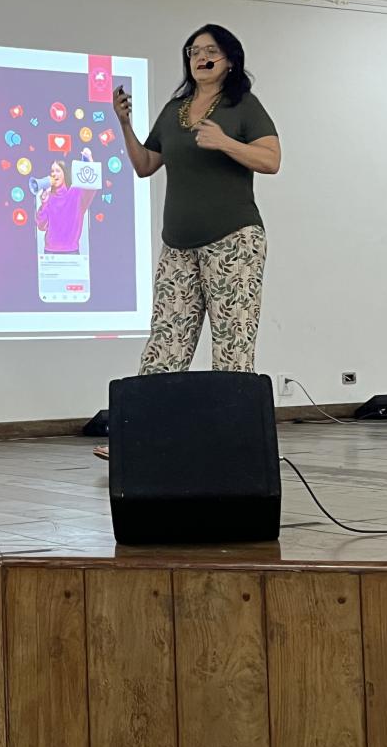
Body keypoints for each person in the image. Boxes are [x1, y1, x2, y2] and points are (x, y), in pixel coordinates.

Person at [93, 24, 281, 460]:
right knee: (166, 340)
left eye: (210, 50)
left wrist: (225, 142)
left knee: (232, 342)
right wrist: (124, 123)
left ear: (229, 60)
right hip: (178, 243)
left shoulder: (243, 106)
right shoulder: (174, 110)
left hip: (233, 240)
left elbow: (271, 160)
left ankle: (232, 444)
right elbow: (145, 164)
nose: (200, 57)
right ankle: (137, 441)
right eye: (193, 51)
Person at [36, 157, 96, 254]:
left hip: (71, 251)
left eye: (57, 171)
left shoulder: (76, 192)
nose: (53, 174)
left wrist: (89, 160)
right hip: (50, 251)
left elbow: (92, 185)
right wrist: (44, 204)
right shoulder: (48, 196)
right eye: (52, 171)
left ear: (65, 173)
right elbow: (41, 226)